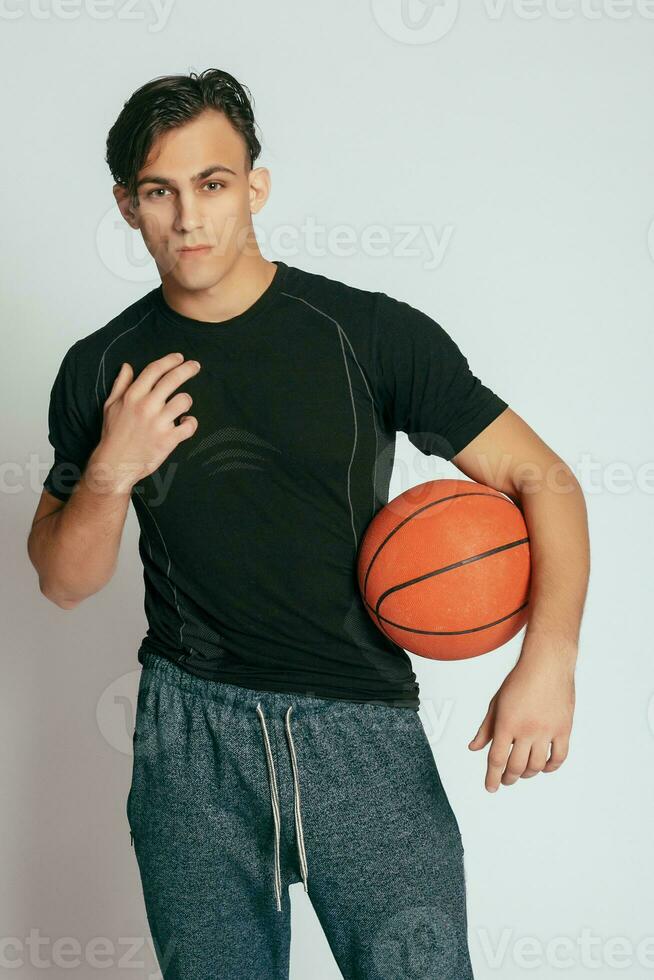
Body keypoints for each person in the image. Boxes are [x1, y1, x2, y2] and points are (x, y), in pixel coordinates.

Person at [28, 69, 586, 980]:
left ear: (255, 185)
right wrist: (113, 468)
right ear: (127, 205)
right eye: (160, 192)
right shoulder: (101, 368)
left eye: (212, 184)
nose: (189, 218)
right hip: (188, 736)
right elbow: (63, 579)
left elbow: (546, 479)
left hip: (359, 729)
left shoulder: (367, 333)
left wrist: (549, 659)